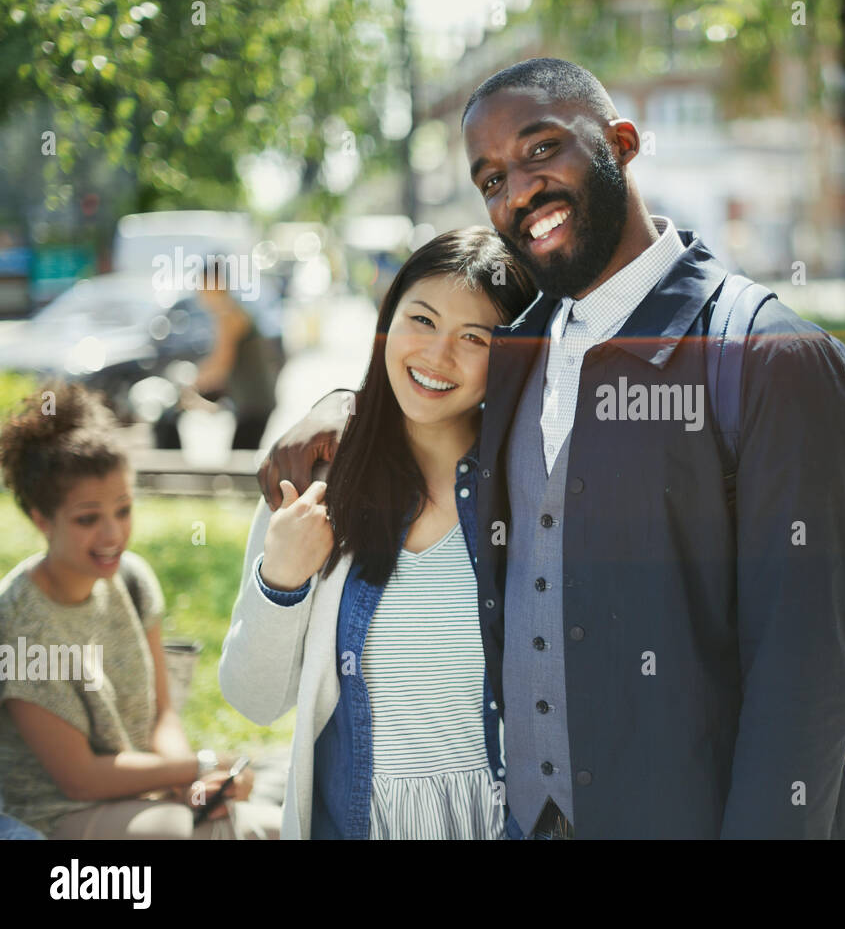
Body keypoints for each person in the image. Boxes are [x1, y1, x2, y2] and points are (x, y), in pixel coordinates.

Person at [259, 58, 845, 839]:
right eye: (489, 179)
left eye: (541, 149)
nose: (518, 191)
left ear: (621, 142)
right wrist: (343, 406)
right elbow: (427, 390)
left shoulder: (770, 361)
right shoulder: (517, 353)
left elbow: (806, 683)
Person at [218, 228, 537, 839]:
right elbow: (253, 699)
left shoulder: (532, 490)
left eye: (475, 337)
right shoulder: (314, 481)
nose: (437, 355)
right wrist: (280, 580)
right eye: (422, 319)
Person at [0, 383, 275, 839]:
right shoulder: (20, 620)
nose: (112, 535)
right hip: (51, 813)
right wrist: (197, 765)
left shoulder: (132, 579)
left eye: (123, 510)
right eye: (88, 518)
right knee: (185, 832)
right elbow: (78, 777)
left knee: (273, 825)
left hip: (140, 793)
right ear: (41, 520)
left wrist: (194, 783)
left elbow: (161, 713)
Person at [155, 259, 279, 451]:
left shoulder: (229, 315)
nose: (199, 293)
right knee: (240, 455)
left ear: (215, 284)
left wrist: (191, 382)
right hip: (251, 402)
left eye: (202, 286)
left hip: (255, 404)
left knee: (241, 461)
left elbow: (221, 364)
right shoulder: (228, 312)